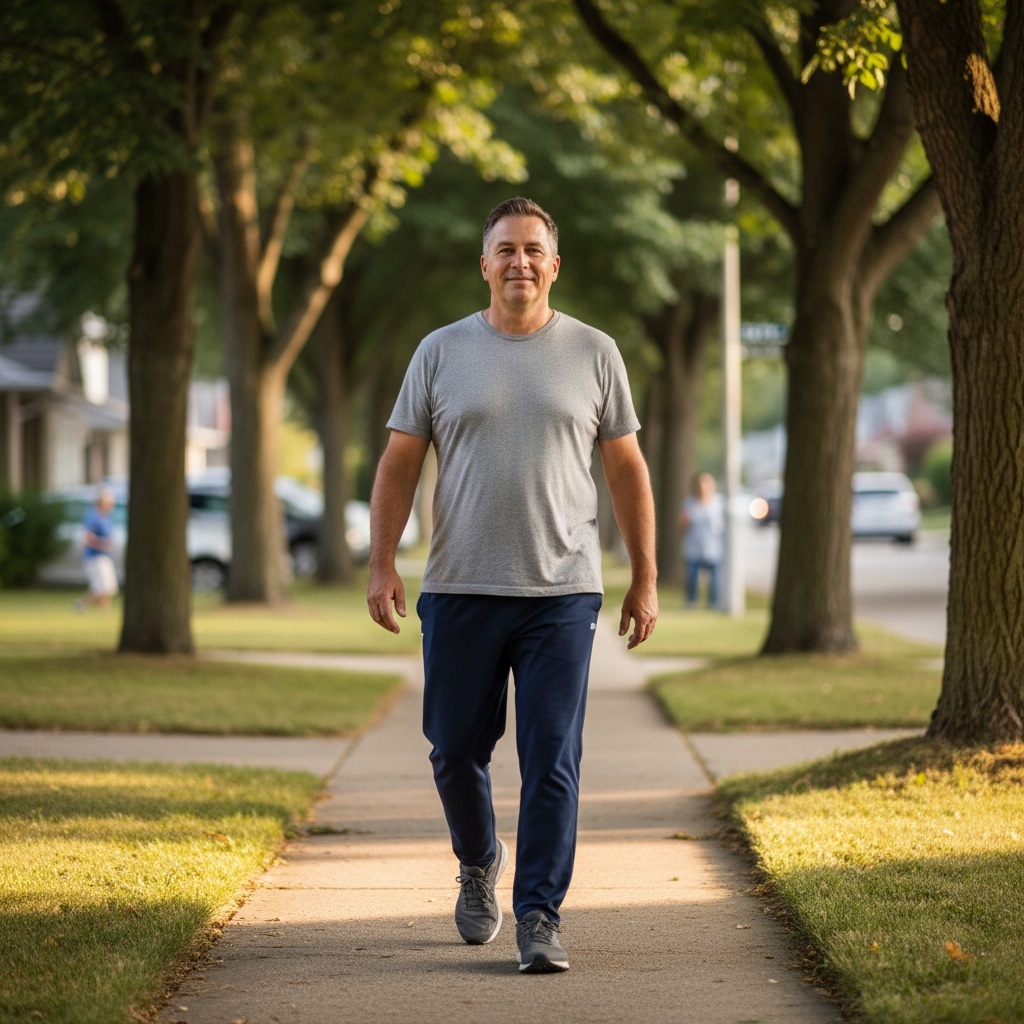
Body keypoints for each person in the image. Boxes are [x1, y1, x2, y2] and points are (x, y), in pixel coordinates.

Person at [366, 197, 658, 974]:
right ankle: (476, 858)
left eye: (534, 249)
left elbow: (627, 469)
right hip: (460, 586)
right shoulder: (439, 351)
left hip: (562, 592)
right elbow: (399, 463)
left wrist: (644, 578)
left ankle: (539, 914)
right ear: (485, 263)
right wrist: (382, 561)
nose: (520, 261)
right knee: (455, 750)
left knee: (552, 756)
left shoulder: (595, 353)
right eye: (506, 249)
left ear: (554, 265)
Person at [678, 471, 724, 608]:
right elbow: (680, 526)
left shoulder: (719, 503)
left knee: (714, 581)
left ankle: (714, 605)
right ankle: (691, 603)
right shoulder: (689, 503)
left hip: (713, 548)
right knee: (692, 579)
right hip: (693, 548)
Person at [76, 486, 119, 611]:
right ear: (102, 502)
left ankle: (105, 611)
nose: (112, 506)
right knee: (103, 587)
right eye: (109, 503)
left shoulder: (107, 517)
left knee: (109, 587)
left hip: (105, 555)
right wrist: (103, 544)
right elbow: (87, 538)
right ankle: (81, 604)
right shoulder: (93, 516)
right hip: (95, 556)